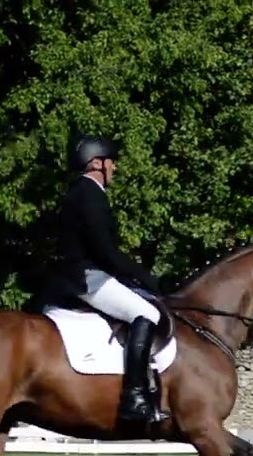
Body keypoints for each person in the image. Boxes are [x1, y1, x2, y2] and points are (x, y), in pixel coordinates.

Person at [48, 134, 169, 424]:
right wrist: (145, 278)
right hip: (88, 278)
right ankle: (135, 396)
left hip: (79, 274)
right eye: (111, 162)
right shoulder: (90, 195)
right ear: (98, 163)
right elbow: (105, 252)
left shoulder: (78, 192)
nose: (114, 168)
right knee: (147, 312)